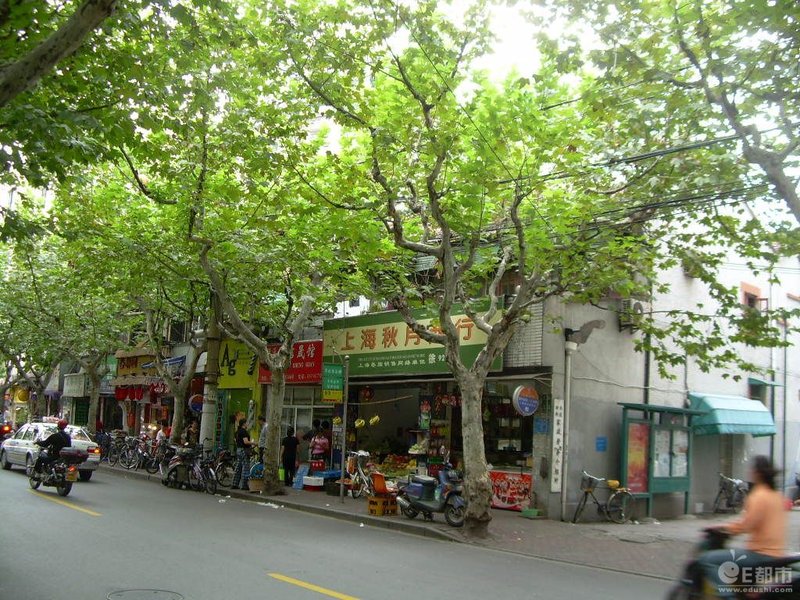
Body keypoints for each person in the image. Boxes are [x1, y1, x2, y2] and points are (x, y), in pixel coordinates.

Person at [701, 455, 787, 598]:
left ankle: (728, 596)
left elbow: (746, 525)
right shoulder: (777, 496)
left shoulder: (758, 496)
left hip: (760, 555)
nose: (749, 472)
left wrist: (723, 528)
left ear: (757, 473)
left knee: (707, 559)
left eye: (751, 469)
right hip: (777, 555)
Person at [231, 418, 254, 490]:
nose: (247, 424)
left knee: (238, 467)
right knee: (245, 467)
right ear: (244, 424)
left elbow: (235, 441)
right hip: (244, 450)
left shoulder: (237, 432)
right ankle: (244, 485)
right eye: (247, 423)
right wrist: (254, 443)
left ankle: (234, 484)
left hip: (238, 449)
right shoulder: (243, 432)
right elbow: (246, 442)